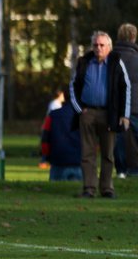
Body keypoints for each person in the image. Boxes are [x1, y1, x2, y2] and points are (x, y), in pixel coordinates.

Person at [70, 31, 121, 198]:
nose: (98, 48)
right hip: (88, 112)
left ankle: (107, 189)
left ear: (109, 47)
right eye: (95, 45)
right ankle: (89, 189)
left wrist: (123, 115)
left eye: (102, 45)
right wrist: (80, 110)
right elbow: (73, 87)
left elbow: (125, 88)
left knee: (108, 153)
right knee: (87, 153)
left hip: (108, 113)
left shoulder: (116, 63)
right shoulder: (84, 62)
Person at [111, 23, 138, 179]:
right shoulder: (136, 59)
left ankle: (120, 170)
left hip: (115, 106)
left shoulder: (111, 58)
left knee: (118, 140)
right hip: (135, 106)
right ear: (133, 37)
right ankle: (134, 170)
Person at [40, 94, 82, 182]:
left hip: (57, 162)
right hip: (78, 162)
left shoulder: (53, 115)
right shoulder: (82, 116)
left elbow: (45, 138)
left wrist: (45, 157)